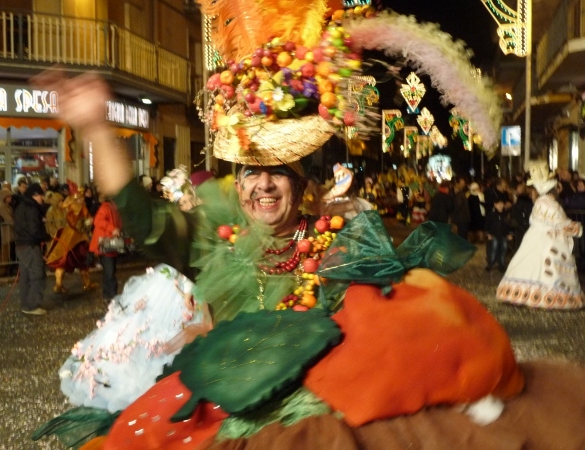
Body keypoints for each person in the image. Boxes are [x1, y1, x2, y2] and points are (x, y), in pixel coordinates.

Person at [32, 27, 585, 450]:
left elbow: (383, 334)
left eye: (278, 173)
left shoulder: (341, 239)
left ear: (302, 184)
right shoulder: (213, 239)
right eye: (251, 173)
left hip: (313, 410)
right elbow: (138, 215)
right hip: (224, 404)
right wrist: (96, 128)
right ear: (238, 181)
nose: (263, 185)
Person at [498, 162, 584, 309]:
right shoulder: (551, 204)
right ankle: (544, 297)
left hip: (533, 237)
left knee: (528, 265)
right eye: (557, 187)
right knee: (546, 269)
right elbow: (561, 223)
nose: (559, 189)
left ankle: (523, 294)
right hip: (548, 240)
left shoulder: (539, 202)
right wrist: (578, 228)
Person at [14, 183, 50, 315]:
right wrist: (46, 236)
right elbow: (34, 230)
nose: (43, 198)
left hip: (21, 245)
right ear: (35, 195)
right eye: (41, 195)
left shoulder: (21, 206)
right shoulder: (32, 208)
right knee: (37, 275)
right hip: (30, 245)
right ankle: (32, 305)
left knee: (26, 276)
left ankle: (26, 304)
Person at [89, 193, 122, 302]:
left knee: (109, 271)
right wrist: (113, 229)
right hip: (105, 243)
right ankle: (112, 295)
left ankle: (107, 293)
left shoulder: (112, 207)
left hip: (107, 243)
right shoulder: (107, 207)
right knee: (110, 271)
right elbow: (98, 221)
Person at [484, 198, 513, 272]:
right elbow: (487, 225)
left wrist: (510, 234)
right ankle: (490, 263)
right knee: (493, 249)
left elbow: (509, 226)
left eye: (501, 204)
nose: (500, 206)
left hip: (504, 235)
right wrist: (488, 234)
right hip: (494, 235)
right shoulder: (491, 214)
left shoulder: (506, 214)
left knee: (503, 249)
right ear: (495, 205)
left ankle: (501, 264)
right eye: (498, 204)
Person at [0, 188, 16, 277]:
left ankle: (7, 270)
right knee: (4, 253)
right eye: (9, 196)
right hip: (5, 233)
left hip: (10, 232)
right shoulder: (0, 206)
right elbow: (8, 219)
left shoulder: (8, 206)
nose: (11, 198)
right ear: (4, 197)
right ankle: (1, 272)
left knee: (9, 252)